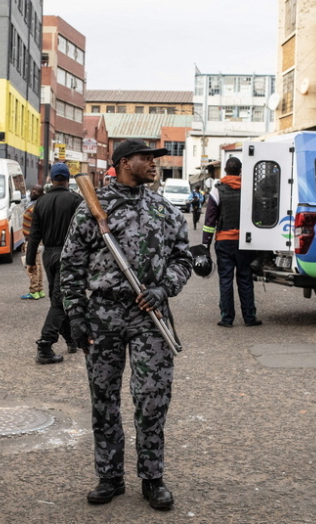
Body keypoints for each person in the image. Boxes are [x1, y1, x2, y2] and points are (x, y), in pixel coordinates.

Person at [61, 139, 192, 510]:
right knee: (104, 399)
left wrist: (164, 288)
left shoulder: (164, 209)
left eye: (154, 159)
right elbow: (71, 264)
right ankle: (110, 477)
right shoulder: (94, 207)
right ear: (123, 163)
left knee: (152, 400)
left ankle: (152, 478)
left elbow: (183, 258)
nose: (153, 163)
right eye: (145, 158)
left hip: (150, 316)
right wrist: (74, 312)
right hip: (103, 314)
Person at [27, 163, 83, 363]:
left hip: (48, 254)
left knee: (57, 298)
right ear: (68, 180)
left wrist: (30, 261)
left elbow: (34, 235)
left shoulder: (40, 203)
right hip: (68, 255)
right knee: (60, 300)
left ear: (51, 179)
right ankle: (45, 343)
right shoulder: (76, 200)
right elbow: (85, 232)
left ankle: (70, 338)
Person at [201, 156, 261, 327]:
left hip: (224, 242)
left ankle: (227, 318)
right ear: (240, 170)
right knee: (245, 278)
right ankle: (250, 317)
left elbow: (210, 220)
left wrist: (205, 244)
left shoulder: (217, 190)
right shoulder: (248, 189)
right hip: (245, 242)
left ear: (225, 170)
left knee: (226, 280)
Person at [20, 184, 45, 300]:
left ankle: (34, 290)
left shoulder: (36, 206)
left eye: (37, 190)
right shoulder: (32, 204)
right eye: (33, 189)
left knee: (33, 266)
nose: (33, 192)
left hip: (33, 240)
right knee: (38, 265)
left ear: (41, 193)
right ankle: (39, 289)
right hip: (32, 239)